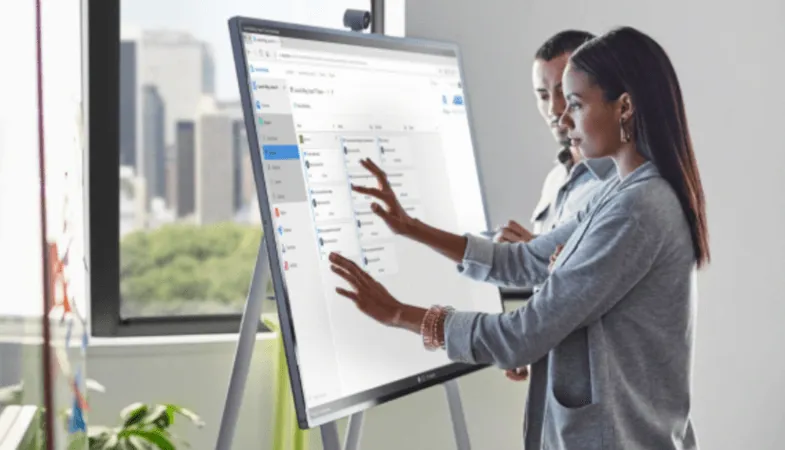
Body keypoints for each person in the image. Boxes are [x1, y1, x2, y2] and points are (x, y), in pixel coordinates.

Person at [329, 25, 710, 449]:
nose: (562, 119)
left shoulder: (637, 209)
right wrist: (409, 226)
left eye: (577, 104)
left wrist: (401, 314)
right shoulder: (624, 194)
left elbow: (519, 338)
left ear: (624, 108)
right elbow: (522, 260)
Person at [495, 30, 614, 244]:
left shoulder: (627, 183)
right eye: (543, 95)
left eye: (564, 91)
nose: (553, 108)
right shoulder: (555, 180)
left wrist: (530, 256)